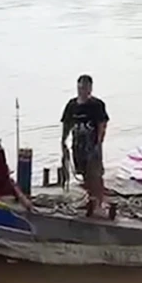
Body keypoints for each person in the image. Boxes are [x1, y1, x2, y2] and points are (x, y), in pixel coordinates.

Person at [61, 74, 109, 217]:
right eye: (80, 87)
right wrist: (63, 141)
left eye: (86, 87)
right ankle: (90, 198)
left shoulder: (97, 105)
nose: (82, 90)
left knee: (95, 174)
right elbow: (66, 124)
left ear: (90, 88)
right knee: (83, 173)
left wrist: (99, 143)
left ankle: (99, 202)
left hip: (92, 144)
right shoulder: (72, 105)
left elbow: (102, 124)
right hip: (77, 145)